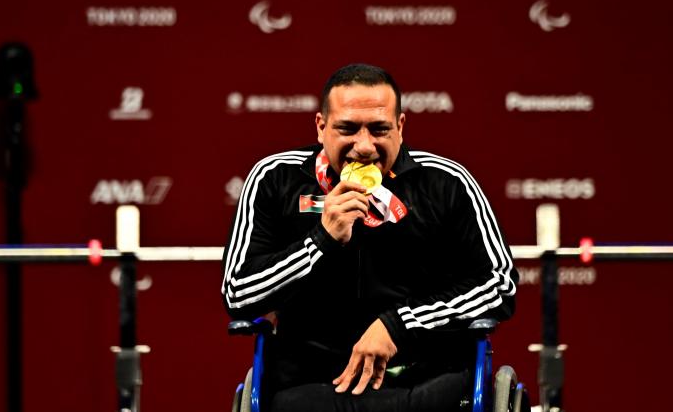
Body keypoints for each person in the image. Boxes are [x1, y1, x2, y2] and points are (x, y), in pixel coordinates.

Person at [221, 63, 518, 412]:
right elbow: (239, 292)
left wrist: (399, 325)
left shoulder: (447, 183)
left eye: (379, 129)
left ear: (401, 127)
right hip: (310, 383)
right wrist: (321, 240)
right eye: (347, 129)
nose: (364, 147)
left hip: (424, 380)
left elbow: (499, 284)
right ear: (321, 127)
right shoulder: (275, 179)